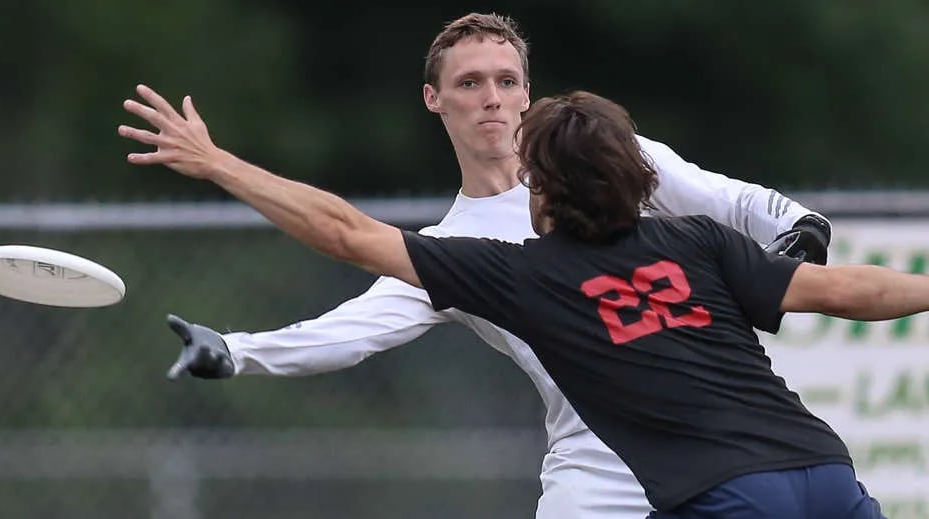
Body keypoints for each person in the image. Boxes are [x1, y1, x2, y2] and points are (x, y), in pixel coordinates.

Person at [118, 13, 834, 519]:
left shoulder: (608, 157)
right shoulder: (454, 251)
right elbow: (353, 329)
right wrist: (239, 352)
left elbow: (723, 196)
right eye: (468, 83)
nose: (491, 96)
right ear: (434, 100)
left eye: (506, 79)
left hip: (723, 440)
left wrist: (795, 225)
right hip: (600, 460)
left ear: (528, 91)